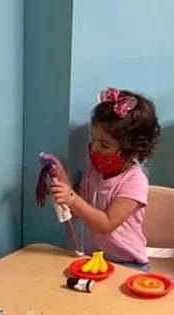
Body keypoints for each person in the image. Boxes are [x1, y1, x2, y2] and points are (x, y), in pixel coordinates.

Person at [45, 87, 161, 270]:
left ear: (132, 149)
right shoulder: (94, 172)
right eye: (93, 140)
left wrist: (72, 199)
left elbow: (106, 224)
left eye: (104, 145)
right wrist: (61, 177)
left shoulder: (134, 182)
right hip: (99, 260)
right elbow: (77, 211)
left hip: (130, 264)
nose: (95, 149)